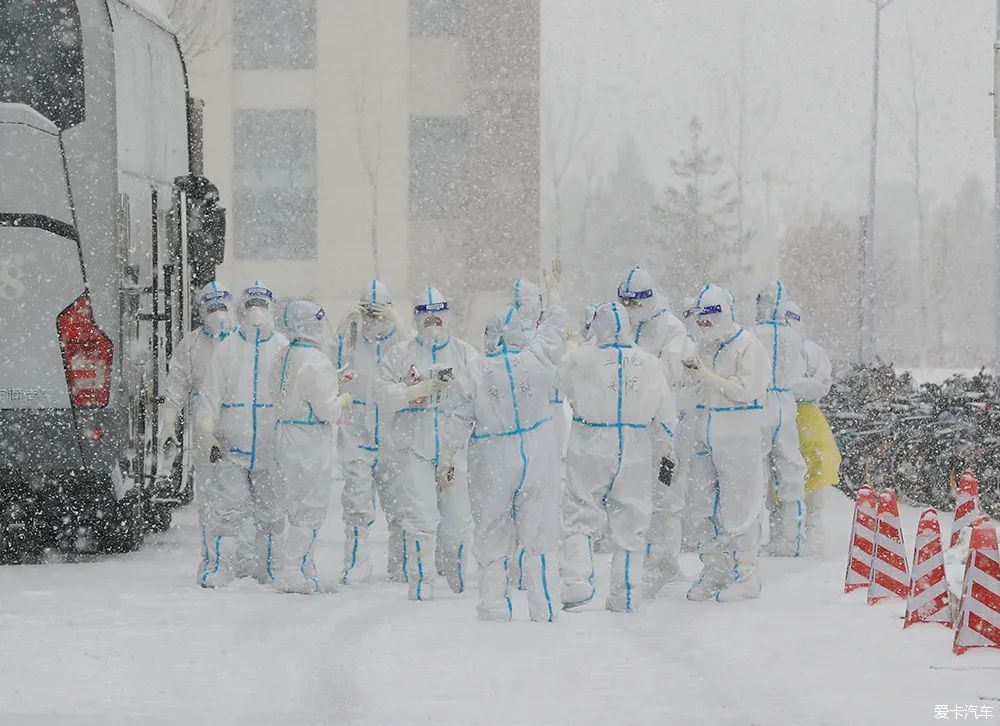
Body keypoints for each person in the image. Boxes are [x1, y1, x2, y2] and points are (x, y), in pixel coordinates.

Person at [456, 276, 568, 621]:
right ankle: (545, 606)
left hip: (492, 457)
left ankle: (492, 606)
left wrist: (446, 457)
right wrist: (555, 295)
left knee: (491, 530)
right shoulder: (536, 361)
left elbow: (456, 418)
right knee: (541, 533)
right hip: (537, 451)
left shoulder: (474, 370)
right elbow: (554, 331)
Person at [560, 302, 676, 613]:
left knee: (580, 513)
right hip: (636, 444)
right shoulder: (650, 363)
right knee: (632, 521)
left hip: (590, 441)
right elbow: (666, 413)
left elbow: (564, 388)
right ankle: (625, 593)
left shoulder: (581, 360)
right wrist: (667, 453)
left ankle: (576, 584)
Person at [377, 286, 478, 601]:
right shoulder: (400, 353)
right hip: (414, 447)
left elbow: (480, 393)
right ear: (417, 317)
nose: (432, 322)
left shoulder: (464, 353)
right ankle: (421, 581)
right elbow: (380, 392)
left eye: (438, 315)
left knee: (458, 518)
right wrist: (409, 392)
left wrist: (455, 391)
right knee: (420, 516)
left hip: (453, 446)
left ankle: (454, 566)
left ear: (447, 316)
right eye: (426, 315)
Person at [196, 281, 289, 588]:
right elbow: (210, 395)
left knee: (272, 513)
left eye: (262, 305)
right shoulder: (228, 349)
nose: (256, 312)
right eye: (251, 306)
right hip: (231, 447)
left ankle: (270, 568)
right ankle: (220, 566)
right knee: (227, 511)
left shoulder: (283, 349)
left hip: (270, 448)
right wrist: (208, 430)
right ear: (242, 309)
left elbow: (294, 398)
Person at [684, 284, 769, 602]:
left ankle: (745, 575)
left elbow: (748, 389)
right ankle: (715, 569)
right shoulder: (704, 347)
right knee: (700, 506)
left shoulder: (749, 347)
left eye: (708, 322)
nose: (704, 329)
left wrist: (709, 378)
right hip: (704, 438)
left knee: (739, 508)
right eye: (700, 324)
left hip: (738, 441)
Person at [616, 266, 695, 593]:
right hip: (632, 426)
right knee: (633, 494)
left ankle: (664, 561)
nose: (632, 310)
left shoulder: (671, 328)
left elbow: (667, 373)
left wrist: (634, 366)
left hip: (666, 425)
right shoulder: (621, 324)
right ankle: (645, 558)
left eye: (636, 303)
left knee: (666, 493)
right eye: (626, 303)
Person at [271, 300, 352, 593]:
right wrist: (343, 398)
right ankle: (292, 570)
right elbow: (328, 410)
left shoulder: (285, 354)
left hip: (285, 434)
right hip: (308, 439)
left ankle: (303, 567)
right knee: (311, 507)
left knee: (296, 505)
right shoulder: (316, 360)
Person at [159, 282, 236, 578]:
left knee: (242, 497)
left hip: (241, 428)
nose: (217, 315)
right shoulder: (191, 345)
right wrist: (169, 419)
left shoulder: (242, 343)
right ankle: (215, 560)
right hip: (205, 430)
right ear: (202, 311)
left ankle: (244, 560)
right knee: (210, 498)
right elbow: (176, 383)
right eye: (211, 308)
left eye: (221, 308)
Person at [334, 280, 407, 584]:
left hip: (394, 436)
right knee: (356, 503)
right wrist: (342, 328)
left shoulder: (402, 345)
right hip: (357, 436)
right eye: (369, 312)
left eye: (380, 312)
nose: (374, 319)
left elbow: (416, 365)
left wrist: (399, 327)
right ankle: (356, 563)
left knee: (401, 505)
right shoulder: (349, 342)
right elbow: (329, 369)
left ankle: (401, 563)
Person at [755, 281, 809, 557]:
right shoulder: (792, 336)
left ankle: (750, 540)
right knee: (790, 474)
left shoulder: (753, 334)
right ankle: (791, 539)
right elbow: (800, 370)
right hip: (785, 407)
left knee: (755, 475)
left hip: (759, 405)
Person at [784, 300, 841, 556]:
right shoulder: (770, 349)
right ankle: (788, 535)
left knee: (814, 480)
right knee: (784, 482)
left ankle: (811, 537)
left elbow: (821, 385)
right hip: (789, 418)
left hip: (804, 419)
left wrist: (788, 387)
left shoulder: (812, 351)